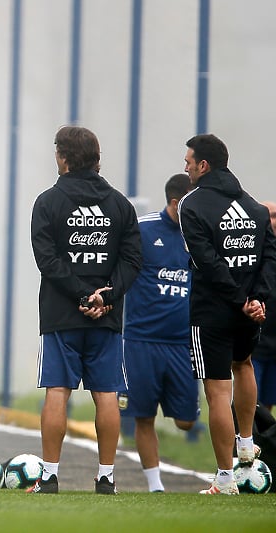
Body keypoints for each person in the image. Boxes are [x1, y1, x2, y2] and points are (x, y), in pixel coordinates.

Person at [29, 125, 142, 494]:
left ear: (62, 157)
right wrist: (105, 296)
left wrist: (80, 294)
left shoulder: (48, 202)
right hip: (106, 316)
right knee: (106, 393)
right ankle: (107, 476)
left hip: (61, 313)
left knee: (57, 391)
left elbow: (47, 260)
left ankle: (49, 475)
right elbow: (132, 259)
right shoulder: (120, 205)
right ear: (97, 158)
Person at [177, 133, 276, 495]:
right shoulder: (253, 206)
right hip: (250, 311)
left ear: (204, 165)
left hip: (213, 311)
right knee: (245, 363)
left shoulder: (193, 205)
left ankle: (224, 478)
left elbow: (209, 263)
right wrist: (257, 299)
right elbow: (269, 255)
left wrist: (239, 299)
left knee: (218, 391)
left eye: (188, 160)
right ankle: (247, 443)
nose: (185, 166)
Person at [120, 173, 199, 492]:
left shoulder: (198, 234)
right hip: (141, 341)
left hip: (182, 343)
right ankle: (155, 485)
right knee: (143, 416)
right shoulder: (143, 229)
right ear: (175, 202)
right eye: (190, 206)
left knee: (186, 421)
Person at [251, 201, 276, 413]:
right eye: (268, 216)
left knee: (267, 407)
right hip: (254, 346)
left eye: (275, 216)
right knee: (253, 405)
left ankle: (265, 446)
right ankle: (247, 444)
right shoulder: (249, 256)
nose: (272, 221)